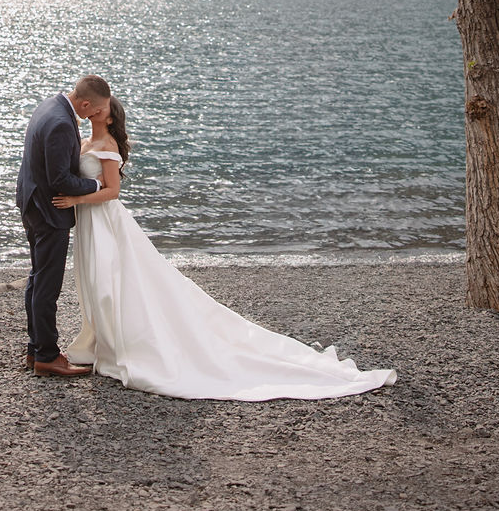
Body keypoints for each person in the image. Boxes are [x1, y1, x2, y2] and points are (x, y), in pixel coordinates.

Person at [53, 93, 397, 401]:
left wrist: (75, 198)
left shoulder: (108, 145)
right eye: (97, 106)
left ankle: (120, 347)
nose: (97, 110)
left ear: (110, 117)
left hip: (105, 222)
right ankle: (103, 340)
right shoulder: (85, 141)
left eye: (103, 109)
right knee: (95, 282)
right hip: (90, 222)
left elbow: (112, 191)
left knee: (109, 284)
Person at [15, 74, 111, 378]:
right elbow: (60, 180)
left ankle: (36, 349)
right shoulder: (60, 124)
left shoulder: (50, 105)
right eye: (95, 111)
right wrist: (97, 183)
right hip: (48, 210)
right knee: (47, 284)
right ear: (84, 104)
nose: (95, 116)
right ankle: (46, 355)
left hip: (31, 202)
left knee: (37, 277)